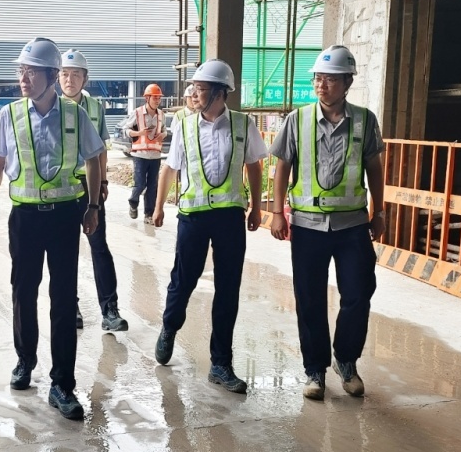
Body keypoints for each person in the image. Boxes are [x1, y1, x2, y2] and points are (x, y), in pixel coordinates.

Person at [0, 37, 105, 421]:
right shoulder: (10, 115)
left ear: (52, 76)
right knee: (24, 292)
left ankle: (62, 385)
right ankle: (25, 359)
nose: (23, 78)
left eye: (31, 72)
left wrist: (93, 205)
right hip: (25, 218)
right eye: (21, 71)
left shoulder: (75, 115)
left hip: (66, 216)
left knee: (64, 299)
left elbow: (94, 157)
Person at [269, 45, 385, 402]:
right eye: (318, 79)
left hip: (353, 225)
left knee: (359, 294)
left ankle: (346, 361)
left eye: (331, 80)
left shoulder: (365, 121)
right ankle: (315, 370)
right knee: (309, 299)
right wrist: (277, 212)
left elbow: (374, 168)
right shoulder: (297, 120)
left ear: (347, 82)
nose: (322, 85)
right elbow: (282, 167)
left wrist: (380, 211)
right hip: (307, 225)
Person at [152, 59, 267, 393]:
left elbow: (254, 165)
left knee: (228, 289)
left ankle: (221, 364)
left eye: (201, 89)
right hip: (193, 216)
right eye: (194, 88)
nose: (194, 93)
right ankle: (170, 326)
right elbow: (171, 167)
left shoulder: (243, 124)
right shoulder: (185, 125)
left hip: (230, 217)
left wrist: (257, 207)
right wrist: (158, 207)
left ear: (220, 93)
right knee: (183, 280)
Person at [58, 48, 128, 332]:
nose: (69, 80)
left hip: (90, 185)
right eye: (65, 74)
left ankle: (110, 310)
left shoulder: (96, 108)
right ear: (58, 77)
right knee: (66, 251)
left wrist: (103, 183)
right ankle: (70, 305)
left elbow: (101, 148)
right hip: (62, 188)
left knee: (99, 246)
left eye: (75, 74)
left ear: (85, 79)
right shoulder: (52, 108)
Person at [123, 83, 166, 224]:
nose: (157, 100)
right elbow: (126, 130)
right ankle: (133, 202)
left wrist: (163, 134)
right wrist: (139, 133)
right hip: (140, 155)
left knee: (152, 186)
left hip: (155, 156)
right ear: (147, 98)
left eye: (159, 98)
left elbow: (164, 129)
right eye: (155, 97)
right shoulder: (137, 113)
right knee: (140, 184)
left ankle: (149, 214)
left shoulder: (161, 114)